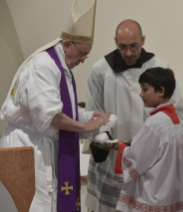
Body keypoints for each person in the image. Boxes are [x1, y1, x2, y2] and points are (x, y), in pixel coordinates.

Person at [0, 1, 110, 212]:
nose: (83, 60)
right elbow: (51, 117)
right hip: (27, 147)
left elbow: (63, 109)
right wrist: (85, 127)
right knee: (32, 206)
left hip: (43, 146)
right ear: (67, 43)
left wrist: (87, 117)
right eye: (82, 54)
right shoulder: (44, 65)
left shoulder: (62, 68)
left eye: (86, 56)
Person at [85, 19, 183, 212]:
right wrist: (104, 136)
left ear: (143, 40)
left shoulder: (160, 68)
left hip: (152, 162)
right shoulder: (101, 70)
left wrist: (153, 147)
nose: (129, 53)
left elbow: (177, 114)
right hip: (113, 158)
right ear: (115, 41)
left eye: (134, 46)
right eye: (122, 47)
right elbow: (94, 112)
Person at [111, 67, 183, 212]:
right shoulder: (173, 121)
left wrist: (120, 147)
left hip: (154, 194)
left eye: (145, 89)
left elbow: (138, 158)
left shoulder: (155, 122)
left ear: (160, 91)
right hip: (170, 192)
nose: (140, 94)